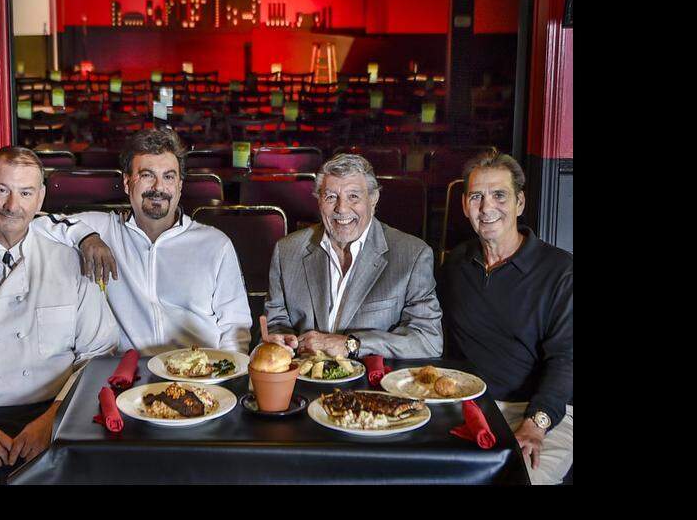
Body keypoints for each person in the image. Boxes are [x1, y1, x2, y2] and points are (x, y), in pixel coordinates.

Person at [0, 147, 118, 484]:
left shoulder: (73, 263)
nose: (12, 205)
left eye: (26, 192)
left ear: (40, 198)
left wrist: (53, 419)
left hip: (54, 415)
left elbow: (98, 355)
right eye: (2, 189)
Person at [34, 128, 252, 355]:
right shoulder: (103, 229)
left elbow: (234, 326)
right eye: (147, 175)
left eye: (168, 177)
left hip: (199, 374)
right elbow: (35, 225)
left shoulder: (215, 244)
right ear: (127, 183)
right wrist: (84, 236)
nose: (158, 187)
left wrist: (228, 377)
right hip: (129, 376)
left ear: (179, 185)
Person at [437, 149, 573, 485]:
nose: (487, 208)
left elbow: (566, 360)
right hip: (471, 407)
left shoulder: (561, 271)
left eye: (499, 195)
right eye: (477, 196)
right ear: (464, 204)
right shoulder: (455, 264)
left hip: (543, 411)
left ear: (520, 203)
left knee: (518, 481)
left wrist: (536, 422)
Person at [262, 153, 441, 359]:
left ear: (373, 200)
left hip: (372, 386)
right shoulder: (287, 251)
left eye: (353, 196)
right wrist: (283, 341)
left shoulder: (412, 255)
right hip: (303, 383)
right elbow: (276, 324)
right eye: (331, 197)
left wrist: (352, 345)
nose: (342, 208)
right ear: (319, 201)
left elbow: (429, 340)